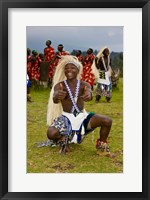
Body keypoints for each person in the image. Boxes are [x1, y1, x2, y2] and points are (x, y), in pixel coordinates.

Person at [47, 55, 112, 155]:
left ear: (78, 70)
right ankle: (63, 140)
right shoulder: (60, 85)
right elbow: (55, 100)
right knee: (51, 133)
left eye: (72, 68)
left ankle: (102, 146)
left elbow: (90, 94)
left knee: (107, 121)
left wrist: (89, 95)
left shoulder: (84, 84)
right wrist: (56, 96)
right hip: (66, 119)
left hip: (82, 117)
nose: (69, 70)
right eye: (67, 68)